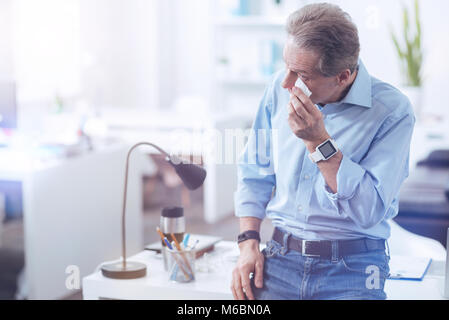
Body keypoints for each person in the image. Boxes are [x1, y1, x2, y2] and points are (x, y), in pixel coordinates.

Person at [231, 3, 415, 300]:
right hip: (279, 258)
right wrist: (248, 242)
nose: (286, 83)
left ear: (342, 76)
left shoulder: (392, 111)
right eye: (286, 66)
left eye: (301, 75)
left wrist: (318, 142)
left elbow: (368, 212)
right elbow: (254, 172)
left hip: (354, 266)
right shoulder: (277, 90)